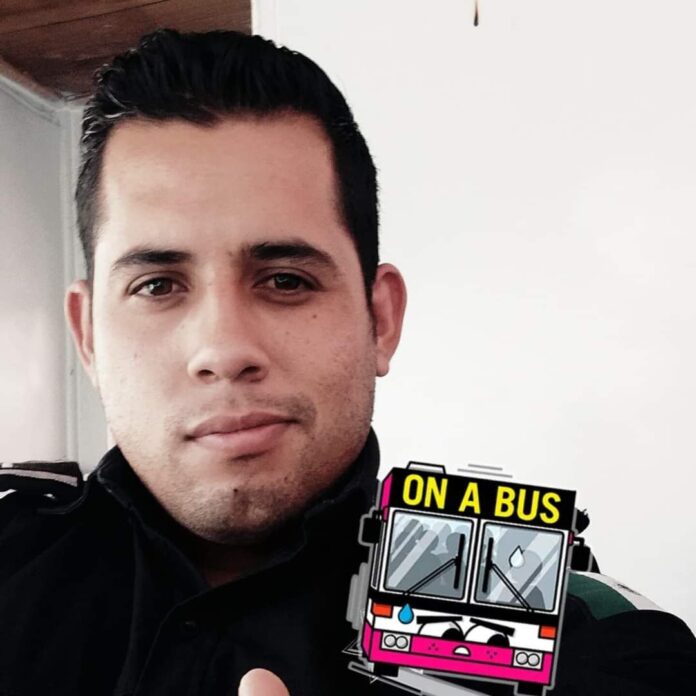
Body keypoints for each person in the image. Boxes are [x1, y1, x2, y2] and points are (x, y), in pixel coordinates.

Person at [0, 28, 694, 696]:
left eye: (286, 280)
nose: (223, 350)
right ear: (88, 335)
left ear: (380, 319)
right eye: (157, 286)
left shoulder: (566, 627)